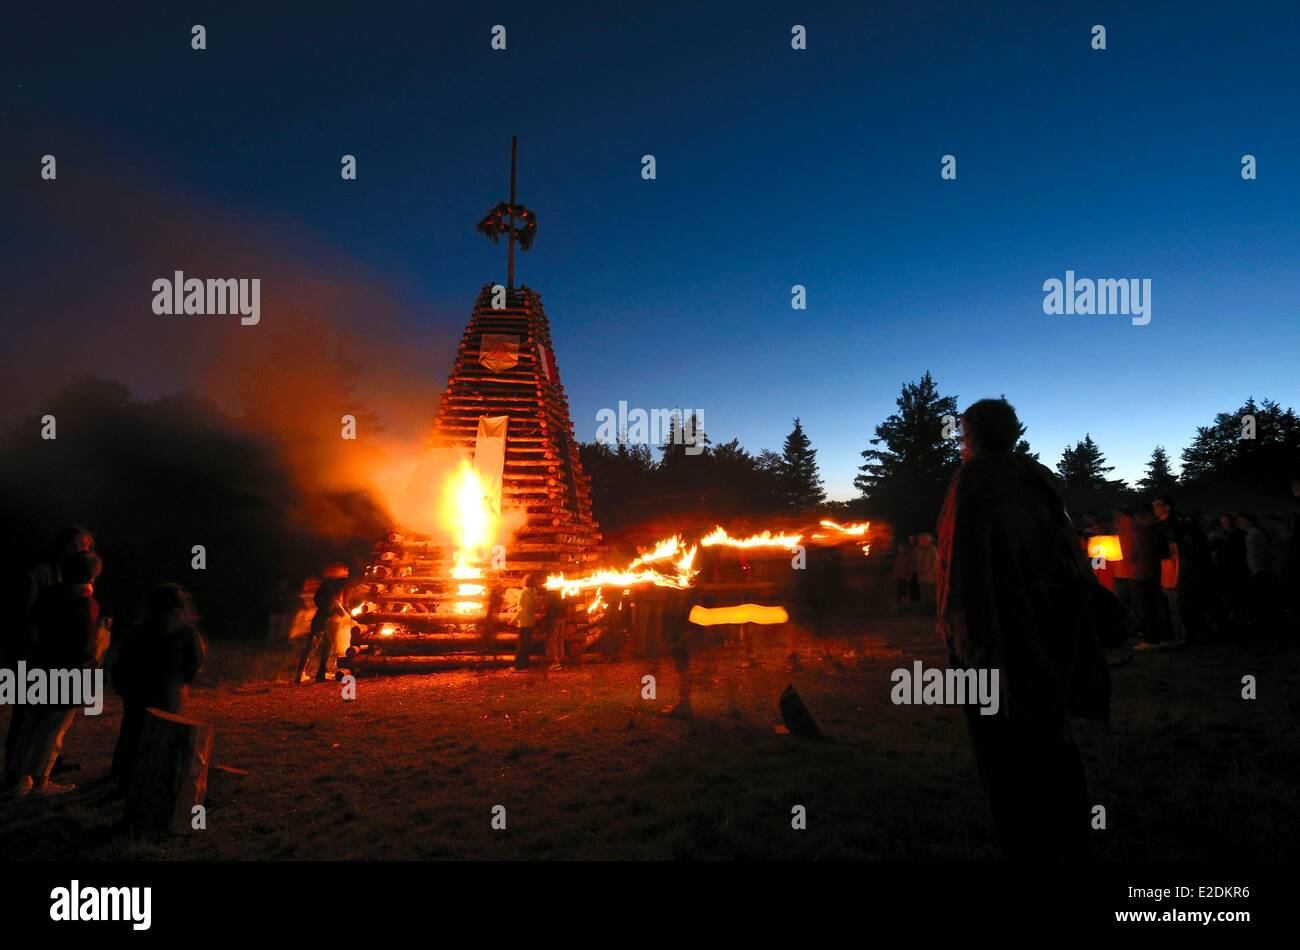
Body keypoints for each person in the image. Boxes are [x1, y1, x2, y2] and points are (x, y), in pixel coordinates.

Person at [937, 398, 1110, 859]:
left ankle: (1023, 842)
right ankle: (1070, 835)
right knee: (1051, 735)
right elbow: (1067, 552)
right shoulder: (1036, 476)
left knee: (1002, 752)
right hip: (1050, 625)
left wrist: (963, 638)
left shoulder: (972, 481)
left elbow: (962, 567)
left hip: (996, 633)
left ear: (972, 434)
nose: (959, 444)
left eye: (961, 435)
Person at [4, 526, 95, 788]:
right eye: (76, 546)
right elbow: (25, 617)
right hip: (38, 658)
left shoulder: (80, 578)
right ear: (63, 547)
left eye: (85, 547)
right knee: (28, 719)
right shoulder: (41, 575)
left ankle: (39, 771)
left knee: (49, 723)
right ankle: (18, 777)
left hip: (59, 660)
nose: (81, 551)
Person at [110, 584, 207, 792]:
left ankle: (123, 773)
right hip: (166, 692)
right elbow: (194, 663)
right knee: (158, 734)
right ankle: (144, 775)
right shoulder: (186, 633)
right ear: (178, 609)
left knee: (132, 731)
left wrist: (122, 685)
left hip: (137, 692)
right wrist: (186, 681)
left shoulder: (141, 629)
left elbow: (123, 660)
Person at [294, 564, 352, 683]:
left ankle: (309, 674)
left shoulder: (326, 584)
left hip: (320, 617)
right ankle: (315, 674)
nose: (346, 573)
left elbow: (317, 599)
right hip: (324, 619)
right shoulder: (337, 583)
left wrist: (333, 607)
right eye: (344, 571)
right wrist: (335, 609)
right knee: (321, 645)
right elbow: (335, 601)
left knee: (320, 645)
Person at [514, 575, 537, 670]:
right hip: (530, 622)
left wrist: (513, 620)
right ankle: (526, 664)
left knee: (521, 645)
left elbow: (521, 610)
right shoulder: (533, 593)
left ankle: (519, 666)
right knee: (526, 644)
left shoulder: (523, 594)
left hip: (523, 622)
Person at [913, 533, 938, 616]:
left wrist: (932, 572)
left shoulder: (932, 549)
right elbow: (914, 561)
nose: (920, 541)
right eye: (920, 540)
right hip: (921, 576)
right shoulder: (918, 549)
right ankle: (925, 611)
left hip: (930, 577)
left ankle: (932, 611)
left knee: (931, 594)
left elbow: (936, 562)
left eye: (922, 539)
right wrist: (916, 569)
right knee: (924, 595)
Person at [892, 538, 912, 612]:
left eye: (901, 548)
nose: (900, 549)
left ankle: (906, 606)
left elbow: (909, 567)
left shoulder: (907, 557)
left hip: (904, 577)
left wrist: (909, 576)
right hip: (898, 577)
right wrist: (895, 575)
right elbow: (896, 567)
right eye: (899, 548)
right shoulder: (897, 556)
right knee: (899, 591)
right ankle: (901, 606)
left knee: (905, 592)